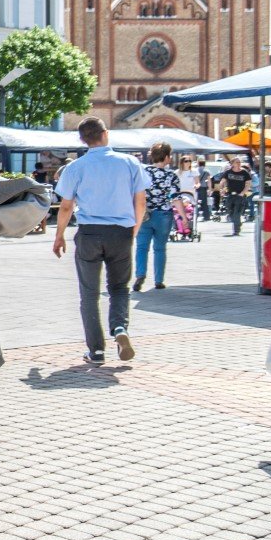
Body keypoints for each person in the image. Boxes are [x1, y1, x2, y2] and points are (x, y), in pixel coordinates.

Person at [52, 117, 146, 366]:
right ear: (106, 133)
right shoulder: (129, 163)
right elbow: (140, 202)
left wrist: (59, 235)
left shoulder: (76, 167)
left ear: (82, 139)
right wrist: (134, 229)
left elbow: (66, 206)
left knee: (89, 293)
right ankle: (119, 328)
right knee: (120, 288)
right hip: (121, 231)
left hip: (90, 232)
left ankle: (96, 351)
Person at [134, 142, 180, 292]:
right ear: (166, 157)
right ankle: (159, 280)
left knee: (141, 247)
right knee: (160, 248)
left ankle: (140, 274)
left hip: (144, 214)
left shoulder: (142, 172)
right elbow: (175, 198)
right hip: (163, 215)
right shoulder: (171, 176)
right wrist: (184, 218)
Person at [222, 155, 254, 235]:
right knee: (230, 211)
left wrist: (242, 193)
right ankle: (238, 223)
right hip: (230, 195)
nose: (239, 163)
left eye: (239, 162)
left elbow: (248, 184)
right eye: (237, 162)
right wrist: (222, 189)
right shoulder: (228, 172)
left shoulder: (244, 173)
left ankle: (236, 230)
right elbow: (222, 181)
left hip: (240, 196)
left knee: (237, 212)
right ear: (232, 164)